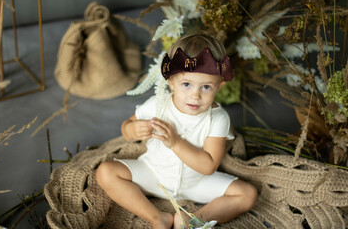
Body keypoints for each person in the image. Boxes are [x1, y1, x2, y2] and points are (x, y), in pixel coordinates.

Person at [96, 33, 258, 229]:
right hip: (154, 174)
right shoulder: (158, 105)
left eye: (206, 87)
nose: (195, 95)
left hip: (197, 182)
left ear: (219, 86)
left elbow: (208, 166)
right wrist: (133, 129)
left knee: (247, 194)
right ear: (171, 82)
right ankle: (157, 217)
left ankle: (193, 218)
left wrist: (176, 143)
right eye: (186, 84)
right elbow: (126, 129)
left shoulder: (218, 118)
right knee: (106, 172)